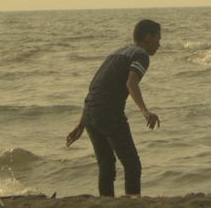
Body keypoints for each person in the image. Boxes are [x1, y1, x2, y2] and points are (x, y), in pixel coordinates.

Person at [65, 19, 162, 196]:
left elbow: (94, 87)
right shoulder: (141, 55)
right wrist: (144, 111)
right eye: (158, 39)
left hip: (91, 113)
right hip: (109, 114)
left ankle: (105, 202)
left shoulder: (117, 53)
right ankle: (132, 202)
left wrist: (82, 124)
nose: (159, 45)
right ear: (148, 38)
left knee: (107, 167)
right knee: (132, 165)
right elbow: (131, 83)